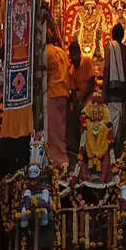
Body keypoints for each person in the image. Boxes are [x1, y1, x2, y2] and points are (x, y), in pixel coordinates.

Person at [103, 23, 126, 152]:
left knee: (114, 121)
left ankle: (113, 152)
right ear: (123, 35)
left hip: (113, 90)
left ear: (112, 34)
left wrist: (104, 89)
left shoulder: (109, 47)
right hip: (125, 89)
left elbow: (107, 68)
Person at [46, 31, 70, 168]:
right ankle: (62, 157)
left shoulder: (46, 52)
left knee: (53, 129)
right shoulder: (61, 51)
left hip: (53, 92)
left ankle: (57, 160)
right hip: (64, 92)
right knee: (60, 128)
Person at [68, 41, 96, 155]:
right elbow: (73, 91)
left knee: (85, 115)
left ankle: (90, 147)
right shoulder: (71, 70)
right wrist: (76, 104)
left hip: (90, 94)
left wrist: (83, 100)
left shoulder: (87, 61)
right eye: (72, 56)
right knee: (74, 117)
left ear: (79, 53)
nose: (73, 58)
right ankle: (79, 147)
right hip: (80, 98)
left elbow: (92, 83)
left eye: (75, 55)